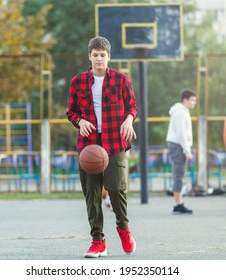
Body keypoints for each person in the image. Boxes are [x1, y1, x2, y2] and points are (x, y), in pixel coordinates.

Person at [66, 36, 137, 258]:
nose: (99, 59)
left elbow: (132, 106)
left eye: (102, 55)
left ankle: (123, 229)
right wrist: (81, 121)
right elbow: (71, 111)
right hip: (88, 145)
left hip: (114, 142)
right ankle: (98, 240)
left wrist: (128, 121)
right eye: (95, 55)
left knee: (116, 189)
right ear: (90, 56)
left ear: (109, 57)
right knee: (92, 193)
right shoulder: (77, 82)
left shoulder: (121, 80)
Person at [166, 89, 197, 214]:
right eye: (192, 100)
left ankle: (178, 203)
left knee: (179, 173)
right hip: (178, 145)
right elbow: (181, 133)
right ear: (185, 100)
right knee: (179, 174)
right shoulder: (181, 113)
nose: (194, 102)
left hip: (178, 145)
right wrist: (187, 151)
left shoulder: (182, 111)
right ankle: (178, 204)